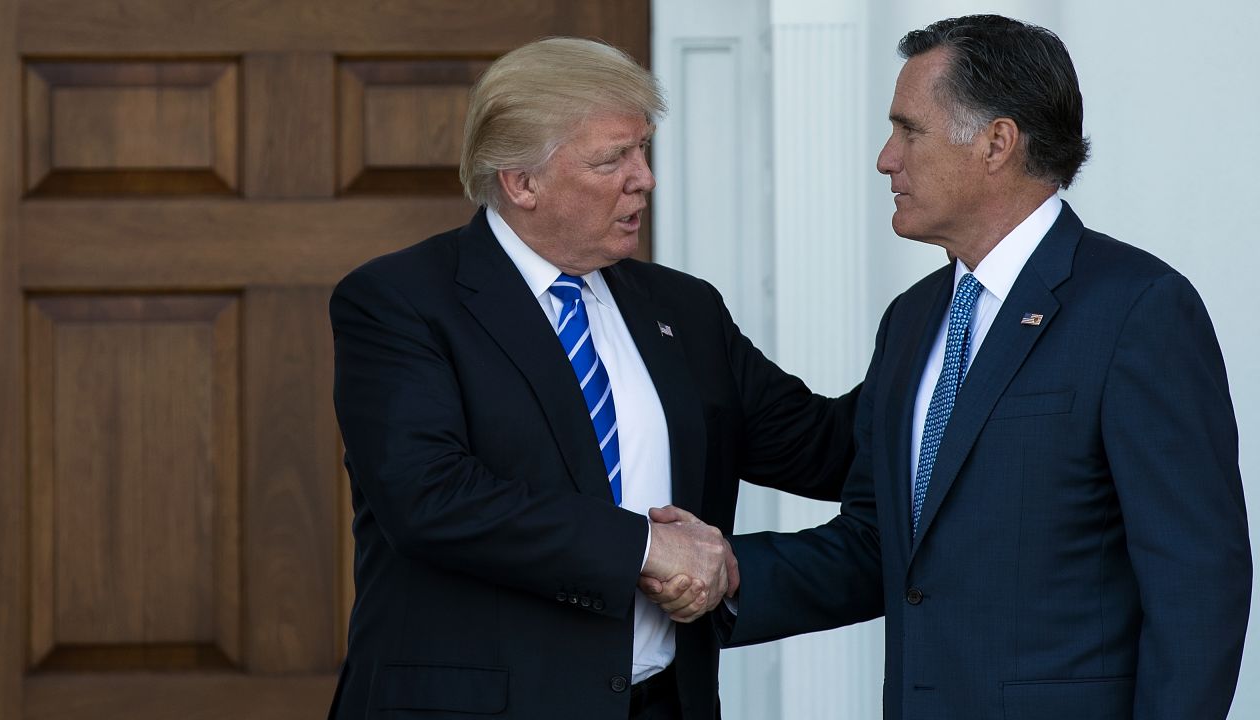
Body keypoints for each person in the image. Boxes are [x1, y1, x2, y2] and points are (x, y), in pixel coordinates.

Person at [652, 14, 1251, 720]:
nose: (885, 157)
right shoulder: (914, 319)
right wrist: (720, 574)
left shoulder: (1137, 309)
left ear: (997, 143)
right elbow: (880, 544)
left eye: (909, 130)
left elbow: (1196, 582)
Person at [326, 37, 858, 720]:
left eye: (644, 150)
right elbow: (429, 498)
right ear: (522, 182)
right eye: (613, 159)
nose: (645, 178)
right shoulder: (401, 300)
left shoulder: (681, 308)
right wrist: (645, 546)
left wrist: (952, 321)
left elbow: (825, 449)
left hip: (662, 702)